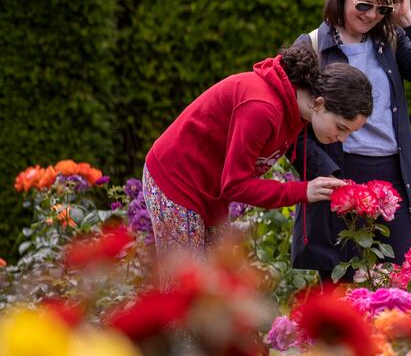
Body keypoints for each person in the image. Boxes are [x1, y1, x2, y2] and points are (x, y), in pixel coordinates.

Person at [290, 0, 411, 284]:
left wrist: (408, 20)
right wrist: (329, 177)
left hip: (395, 178)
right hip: (342, 176)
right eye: (364, 5)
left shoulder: (390, 42)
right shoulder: (312, 47)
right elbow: (291, 129)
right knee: (343, 289)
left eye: (382, 9)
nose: (370, 16)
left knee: (406, 283)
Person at [143, 42, 373, 258]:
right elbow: (235, 185)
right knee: (185, 287)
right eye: (341, 128)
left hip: (210, 190)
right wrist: (302, 191)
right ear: (320, 103)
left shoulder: (297, 110)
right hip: (175, 181)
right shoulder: (262, 109)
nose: (341, 139)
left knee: (214, 287)